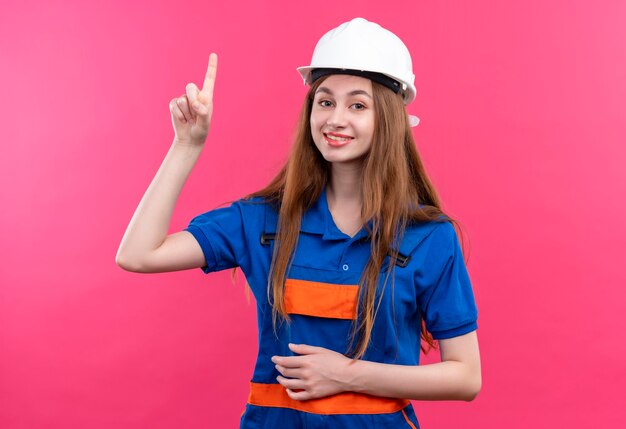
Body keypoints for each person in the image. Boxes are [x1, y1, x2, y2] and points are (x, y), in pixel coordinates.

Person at [117, 17, 481, 429]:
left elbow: (466, 376)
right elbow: (138, 254)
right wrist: (186, 146)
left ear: (391, 119)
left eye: (357, 105)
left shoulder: (429, 237)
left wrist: (346, 373)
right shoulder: (262, 219)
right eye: (325, 101)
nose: (335, 119)